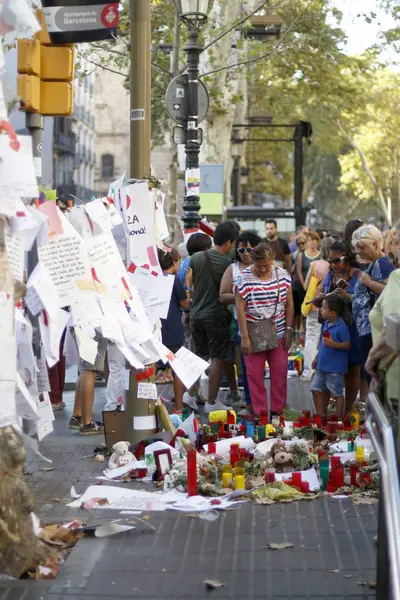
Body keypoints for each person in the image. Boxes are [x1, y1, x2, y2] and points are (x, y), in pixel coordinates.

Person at [186, 221, 239, 413]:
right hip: (216, 316)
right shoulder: (228, 264)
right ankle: (211, 402)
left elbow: (191, 285)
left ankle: (189, 396)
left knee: (199, 357)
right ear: (228, 242)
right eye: (233, 244)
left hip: (196, 314)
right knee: (217, 358)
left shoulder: (196, 257)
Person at [235, 243, 294, 416]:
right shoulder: (243, 278)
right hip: (252, 333)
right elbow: (240, 309)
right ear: (252, 262)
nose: (262, 270)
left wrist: (289, 329)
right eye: (258, 266)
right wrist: (245, 337)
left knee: (280, 371)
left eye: (266, 266)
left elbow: (289, 305)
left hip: (279, 331)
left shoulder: (282, 276)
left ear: (272, 261)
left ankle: (277, 411)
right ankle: (260, 412)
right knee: (254, 375)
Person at [219, 230, 263, 411]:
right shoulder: (233, 269)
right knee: (246, 365)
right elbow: (222, 295)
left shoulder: (264, 267)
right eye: (241, 250)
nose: (245, 254)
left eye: (249, 249)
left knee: (263, 365)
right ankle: (250, 403)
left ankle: (268, 403)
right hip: (241, 322)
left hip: (265, 322)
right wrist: (241, 296)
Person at [351, 224, 394, 396]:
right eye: (356, 248)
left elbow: (390, 290)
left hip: (374, 331)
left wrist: (368, 282)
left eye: (361, 247)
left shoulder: (382, 263)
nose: (358, 252)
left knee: (373, 376)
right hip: (367, 329)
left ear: (375, 245)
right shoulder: (374, 263)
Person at [320, 241, 361, 410]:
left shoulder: (359, 275)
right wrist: (322, 298)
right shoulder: (330, 275)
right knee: (327, 368)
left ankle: (348, 409)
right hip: (331, 326)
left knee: (352, 369)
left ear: (347, 257)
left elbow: (363, 304)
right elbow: (325, 299)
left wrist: (347, 297)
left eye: (336, 260)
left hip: (352, 328)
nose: (333, 264)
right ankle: (325, 412)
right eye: (330, 261)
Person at [366, 220, 400, 403]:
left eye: (395, 242)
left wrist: (372, 360)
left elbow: (395, 328)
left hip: (394, 378)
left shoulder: (397, 277)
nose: (392, 248)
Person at [157, 247, 190, 414]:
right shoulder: (173, 279)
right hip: (172, 328)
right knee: (177, 368)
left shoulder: (153, 277)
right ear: (175, 262)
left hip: (156, 329)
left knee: (153, 368)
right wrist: (188, 285)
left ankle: (152, 406)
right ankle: (178, 407)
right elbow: (185, 304)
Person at [310, 295, 351, 418]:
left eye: (323, 308)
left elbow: (347, 344)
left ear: (333, 313)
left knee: (337, 393)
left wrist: (334, 344)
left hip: (334, 368)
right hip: (322, 366)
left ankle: (338, 418)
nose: (321, 310)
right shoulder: (327, 323)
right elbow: (324, 344)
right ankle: (320, 415)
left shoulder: (342, 327)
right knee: (315, 388)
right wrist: (316, 358)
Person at [301, 236, 333, 381]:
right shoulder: (334, 266)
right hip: (330, 307)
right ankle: (326, 370)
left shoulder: (315, 265)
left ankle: (308, 371)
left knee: (311, 337)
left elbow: (306, 285)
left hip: (314, 305)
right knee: (327, 336)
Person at [69, 335, 107, 434]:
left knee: (84, 370)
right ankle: (87, 423)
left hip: (80, 325)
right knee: (90, 370)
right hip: (91, 326)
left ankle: (77, 416)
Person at [293, 231, 320, 338]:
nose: (311, 242)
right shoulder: (300, 255)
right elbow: (298, 271)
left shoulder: (321, 254)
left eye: (314, 240)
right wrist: (305, 284)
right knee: (302, 310)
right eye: (309, 240)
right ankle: (301, 333)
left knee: (314, 310)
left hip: (317, 287)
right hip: (302, 287)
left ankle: (311, 334)